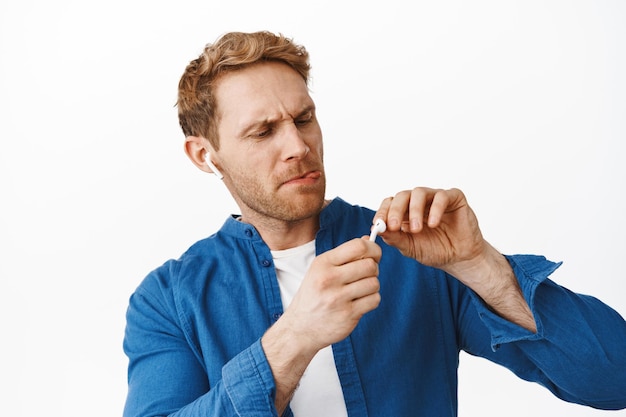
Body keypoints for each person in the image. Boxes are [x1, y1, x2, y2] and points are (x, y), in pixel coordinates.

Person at [122, 31, 626, 417]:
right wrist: (294, 337)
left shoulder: (413, 253)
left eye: (303, 118)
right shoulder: (167, 300)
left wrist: (480, 264)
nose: (298, 146)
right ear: (204, 155)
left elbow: (613, 378)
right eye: (263, 131)